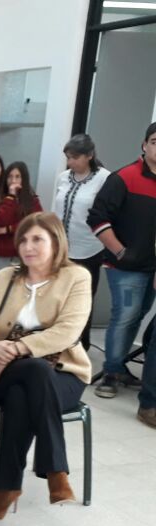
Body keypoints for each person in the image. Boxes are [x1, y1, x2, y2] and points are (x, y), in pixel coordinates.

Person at [0, 212, 92, 520]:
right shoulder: (5, 277)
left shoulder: (77, 277)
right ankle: (55, 470)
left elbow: (68, 332)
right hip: (3, 372)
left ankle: (4, 490)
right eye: (23, 240)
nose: (28, 247)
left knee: (24, 393)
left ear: (56, 242)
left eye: (37, 240)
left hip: (63, 373)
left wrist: (14, 350)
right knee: (35, 371)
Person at [87, 121, 156, 399]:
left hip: (152, 269)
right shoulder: (123, 177)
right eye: (155, 142)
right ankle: (111, 372)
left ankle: (118, 366)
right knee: (124, 318)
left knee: (137, 317)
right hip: (125, 267)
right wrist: (119, 251)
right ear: (144, 145)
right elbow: (97, 217)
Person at [52, 134, 110, 352]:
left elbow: (107, 213)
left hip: (89, 249)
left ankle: (79, 346)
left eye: (75, 157)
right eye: (68, 157)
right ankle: (57, 342)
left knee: (82, 299)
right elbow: (56, 211)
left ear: (89, 155)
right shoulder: (63, 177)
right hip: (60, 249)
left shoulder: (104, 178)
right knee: (58, 297)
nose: (70, 162)